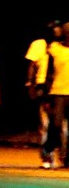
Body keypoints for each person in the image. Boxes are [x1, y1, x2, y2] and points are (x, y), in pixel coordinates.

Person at [28, 22, 58, 165]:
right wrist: (30, 85)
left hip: (62, 88)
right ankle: (47, 156)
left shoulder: (63, 47)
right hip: (43, 87)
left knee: (62, 127)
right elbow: (32, 65)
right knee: (45, 124)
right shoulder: (39, 44)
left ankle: (64, 157)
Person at [44, 24, 69, 169]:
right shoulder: (55, 48)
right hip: (58, 92)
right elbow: (48, 72)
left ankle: (67, 159)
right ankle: (49, 149)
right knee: (56, 124)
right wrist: (47, 96)